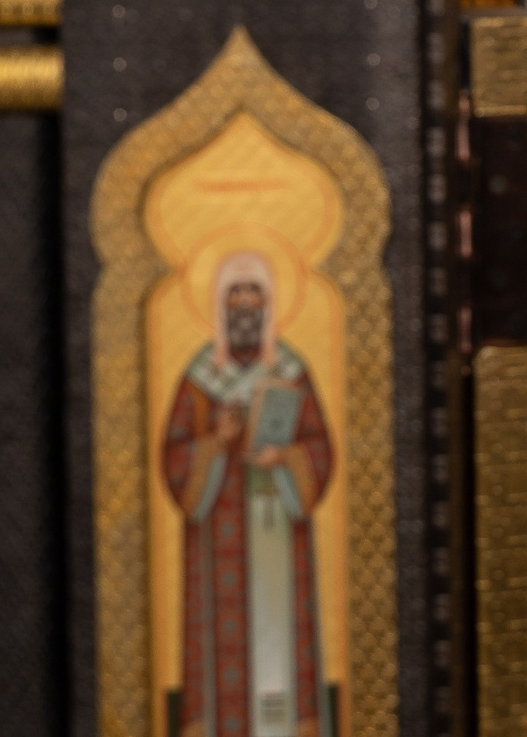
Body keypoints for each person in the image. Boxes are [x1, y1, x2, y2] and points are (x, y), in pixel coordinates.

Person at [162, 252, 337, 737]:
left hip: (279, 525)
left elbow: (321, 447)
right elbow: (172, 458)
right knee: (221, 642)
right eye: (234, 296)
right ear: (220, 306)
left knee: (281, 638)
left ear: (268, 303)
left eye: (253, 295)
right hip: (219, 536)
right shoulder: (199, 380)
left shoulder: (291, 370)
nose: (244, 305)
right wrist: (216, 441)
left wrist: (287, 459)